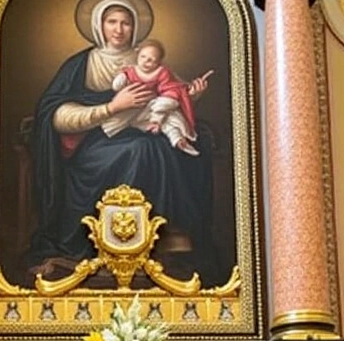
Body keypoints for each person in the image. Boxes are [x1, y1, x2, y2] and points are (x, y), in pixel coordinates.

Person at [26, 0, 217, 283]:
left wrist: (192, 95)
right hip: (95, 142)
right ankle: (116, 243)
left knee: (171, 148)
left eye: (125, 23)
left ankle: (169, 241)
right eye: (112, 21)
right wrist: (113, 107)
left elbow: (172, 95)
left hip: (146, 134)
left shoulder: (148, 60)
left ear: (135, 27)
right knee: (142, 149)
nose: (119, 29)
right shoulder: (81, 64)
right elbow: (55, 116)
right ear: (99, 25)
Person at [106, 39, 204, 156]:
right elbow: (117, 85)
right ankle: (159, 127)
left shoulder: (162, 72)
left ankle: (178, 140)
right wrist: (120, 80)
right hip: (134, 109)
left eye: (151, 60)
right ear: (138, 54)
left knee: (171, 118)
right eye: (143, 57)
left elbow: (169, 90)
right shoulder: (131, 71)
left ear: (158, 62)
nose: (145, 62)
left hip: (154, 106)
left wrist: (157, 116)